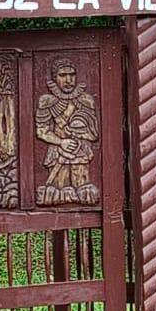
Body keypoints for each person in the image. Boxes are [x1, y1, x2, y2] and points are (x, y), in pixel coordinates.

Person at [35, 58, 99, 205]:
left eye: (72, 75)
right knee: (58, 190)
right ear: (55, 77)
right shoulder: (46, 101)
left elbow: (93, 133)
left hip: (80, 151)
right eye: (62, 75)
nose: (68, 80)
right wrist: (61, 142)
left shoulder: (86, 100)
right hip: (58, 151)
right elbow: (41, 131)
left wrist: (80, 135)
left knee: (83, 190)